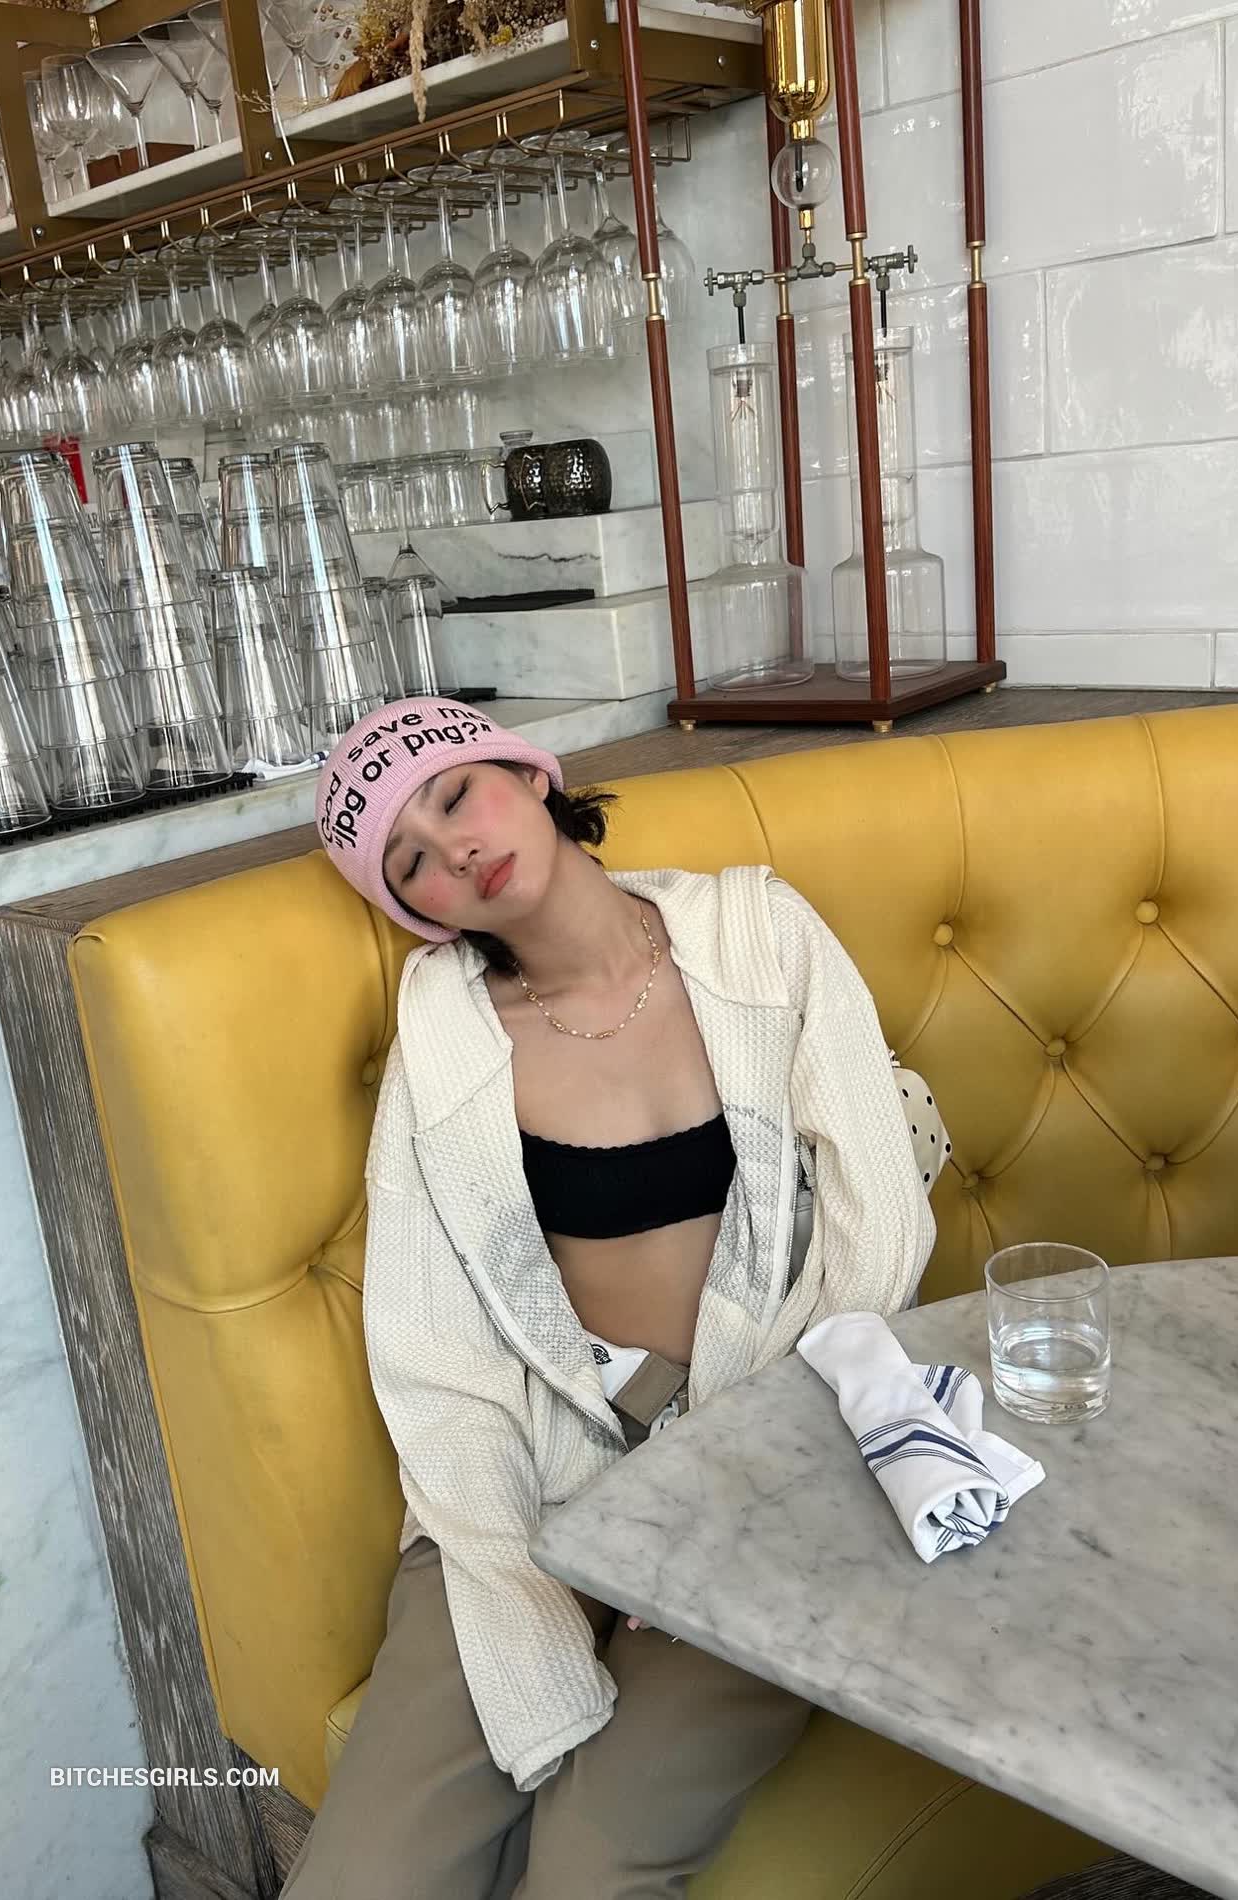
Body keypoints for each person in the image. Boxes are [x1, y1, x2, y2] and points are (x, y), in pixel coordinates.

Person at [286, 697, 951, 1900]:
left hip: (777, 1462)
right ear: (413, 909)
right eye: (410, 862)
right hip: (543, 1468)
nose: (455, 850)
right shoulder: (444, 1031)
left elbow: (880, 1230)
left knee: (591, 1872)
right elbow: (436, 1351)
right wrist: (516, 1576)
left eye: (455, 795)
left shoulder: (758, 931)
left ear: (529, 776)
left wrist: (723, 1493)